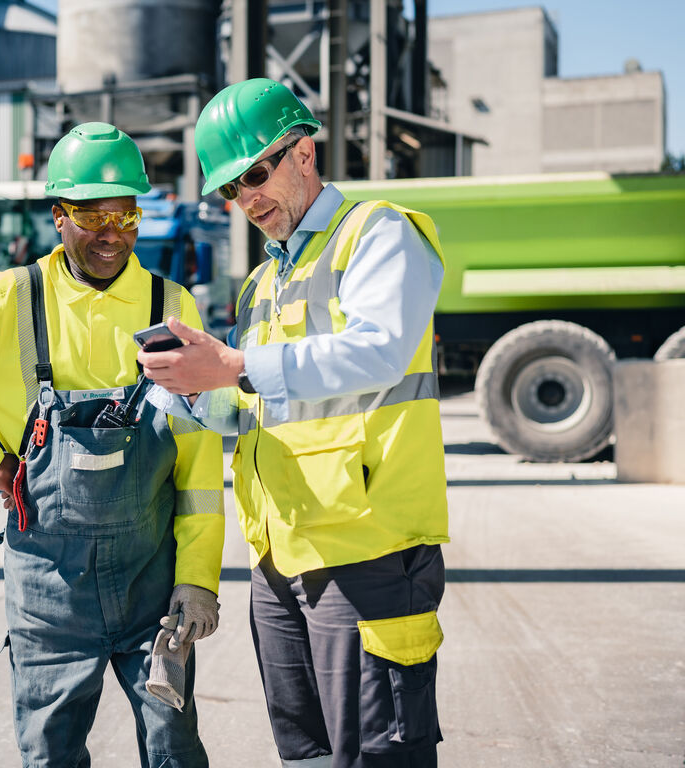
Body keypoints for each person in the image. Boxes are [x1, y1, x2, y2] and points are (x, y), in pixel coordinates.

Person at [0, 122, 224, 768]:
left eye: (125, 215)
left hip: (152, 580)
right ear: (58, 216)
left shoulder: (169, 303)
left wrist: (197, 579)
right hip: (49, 590)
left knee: (174, 749)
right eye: (93, 215)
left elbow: (197, 458)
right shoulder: (9, 300)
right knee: (51, 754)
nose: (111, 234)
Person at [139, 78, 449, 768]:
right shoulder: (262, 282)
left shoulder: (377, 234)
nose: (246, 199)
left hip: (366, 549)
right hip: (280, 559)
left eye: (254, 175)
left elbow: (379, 350)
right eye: (230, 190)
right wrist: (188, 391)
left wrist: (234, 364)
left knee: (375, 756)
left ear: (303, 153)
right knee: (304, 755)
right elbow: (255, 401)